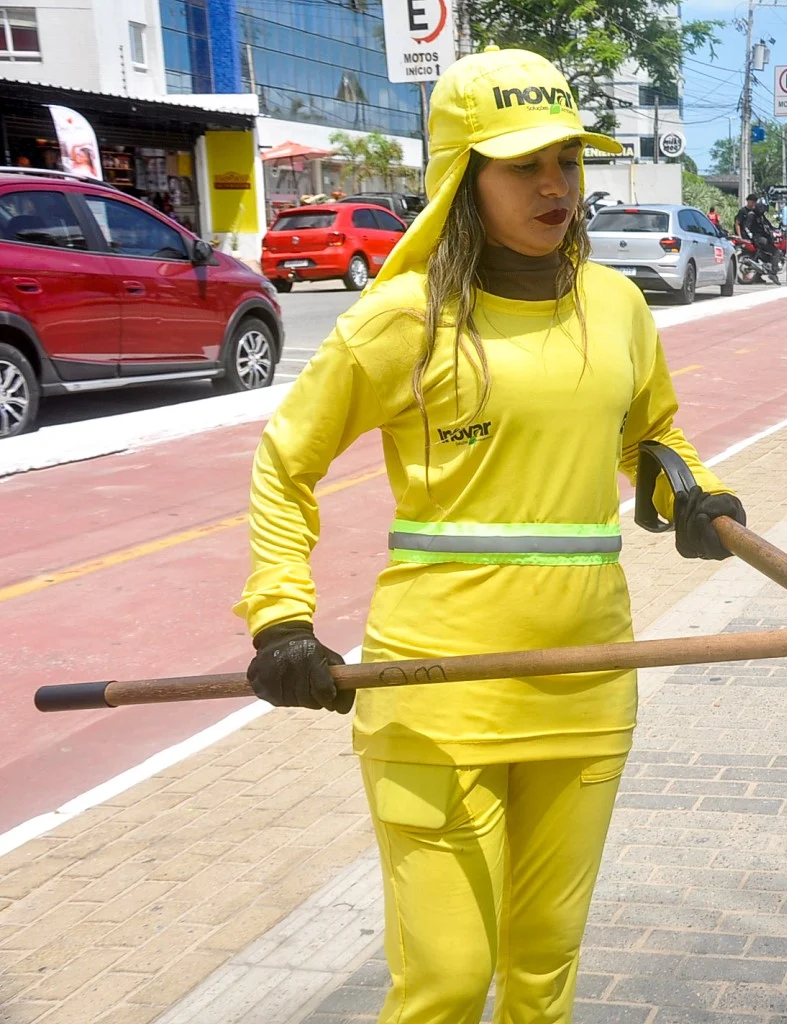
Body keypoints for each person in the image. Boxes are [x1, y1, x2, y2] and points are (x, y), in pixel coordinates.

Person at [235, 47, 745, 1024]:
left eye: (567, 159)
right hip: (434, 692)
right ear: (464, 176)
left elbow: (656, 431)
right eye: (525, 165)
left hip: (587, 686)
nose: (555, 184)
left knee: (543, 978)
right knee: (448, 982)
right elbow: (284, 461)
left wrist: (694, 491)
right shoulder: (402, 320)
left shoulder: (620, 306)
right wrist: (280, 622)